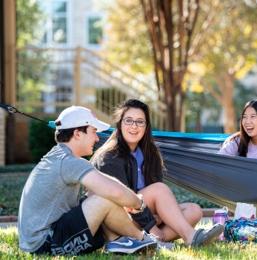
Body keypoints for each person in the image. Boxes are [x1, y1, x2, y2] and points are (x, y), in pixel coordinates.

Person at [18, 106, 158, 256]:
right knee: (103, 198)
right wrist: (139, 203)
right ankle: (145, 240)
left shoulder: (59, 156)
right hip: (45, 244)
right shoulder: (69, 161)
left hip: (41, 240)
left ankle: (118, 241)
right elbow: (114, 191)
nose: (97, 138)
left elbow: (104, 186)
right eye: (93, 132)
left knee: (96, 195)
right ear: (78, 134)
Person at [91, 99, 223, 244]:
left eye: (140, 121)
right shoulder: (110, 157)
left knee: (194, 210)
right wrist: (152, 224)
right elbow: (123, 201)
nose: (134, 126)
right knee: (159, 190)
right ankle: (191, 237)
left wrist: (156, 217)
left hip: (144, 214)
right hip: (119, 219)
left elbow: (160, 201)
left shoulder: (150, 153)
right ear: (120, 124)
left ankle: (155, 241)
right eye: (128, 121)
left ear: (146, 126)